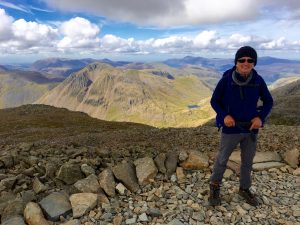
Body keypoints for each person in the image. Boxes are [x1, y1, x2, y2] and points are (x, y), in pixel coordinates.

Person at [209, 46, 273, 206]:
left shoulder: (258, 81)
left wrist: (260, 117)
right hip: (231, 129)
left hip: (251, 129)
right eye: (242, 60)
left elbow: (269, 101)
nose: (246, 63)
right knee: (222, 159)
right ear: (236, 62)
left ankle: (244, 189)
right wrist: (225, 116)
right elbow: (214, 101)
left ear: (254, 63)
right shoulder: (226, 80)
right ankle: (215, 187)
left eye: (250, 60)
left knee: (248, 161)